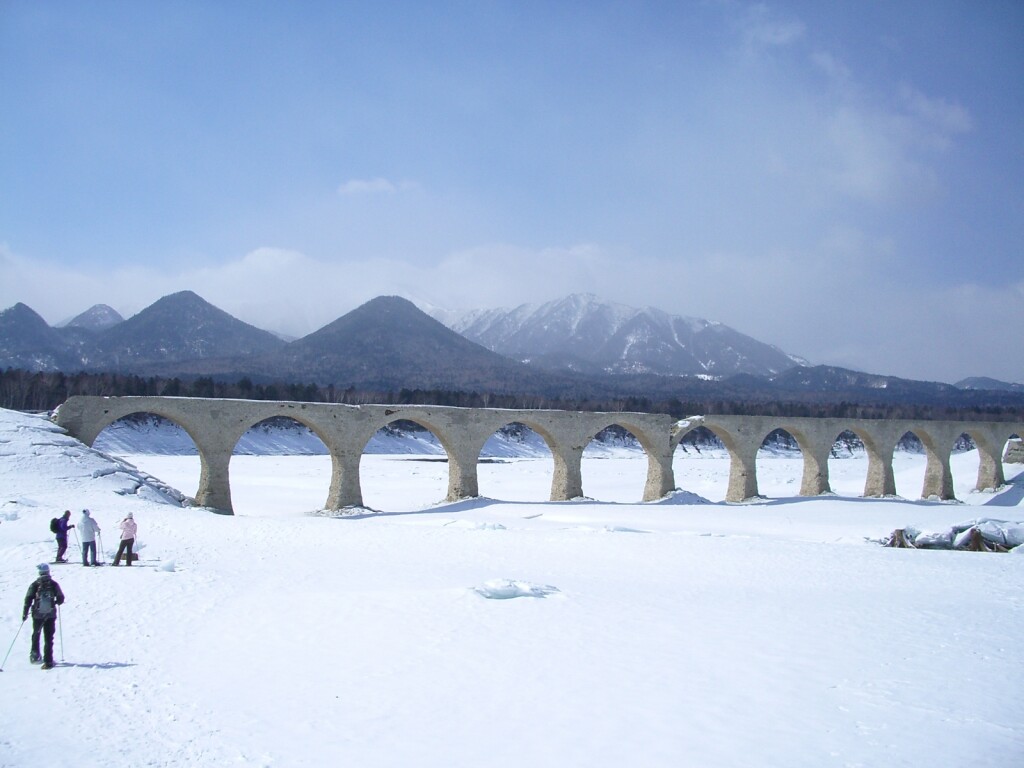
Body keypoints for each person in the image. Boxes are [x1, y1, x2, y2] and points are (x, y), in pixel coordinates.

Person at [23, 563, 65, 670]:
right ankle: (48, 661)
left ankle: (35, 655)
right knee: (49, 638)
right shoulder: (54, 584)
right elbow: (61, 598)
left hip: (37, 615)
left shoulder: (35, 584)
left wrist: (25, 613)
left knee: (36, 634)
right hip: (50, 615)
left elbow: (28, 599)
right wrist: (55, 602)